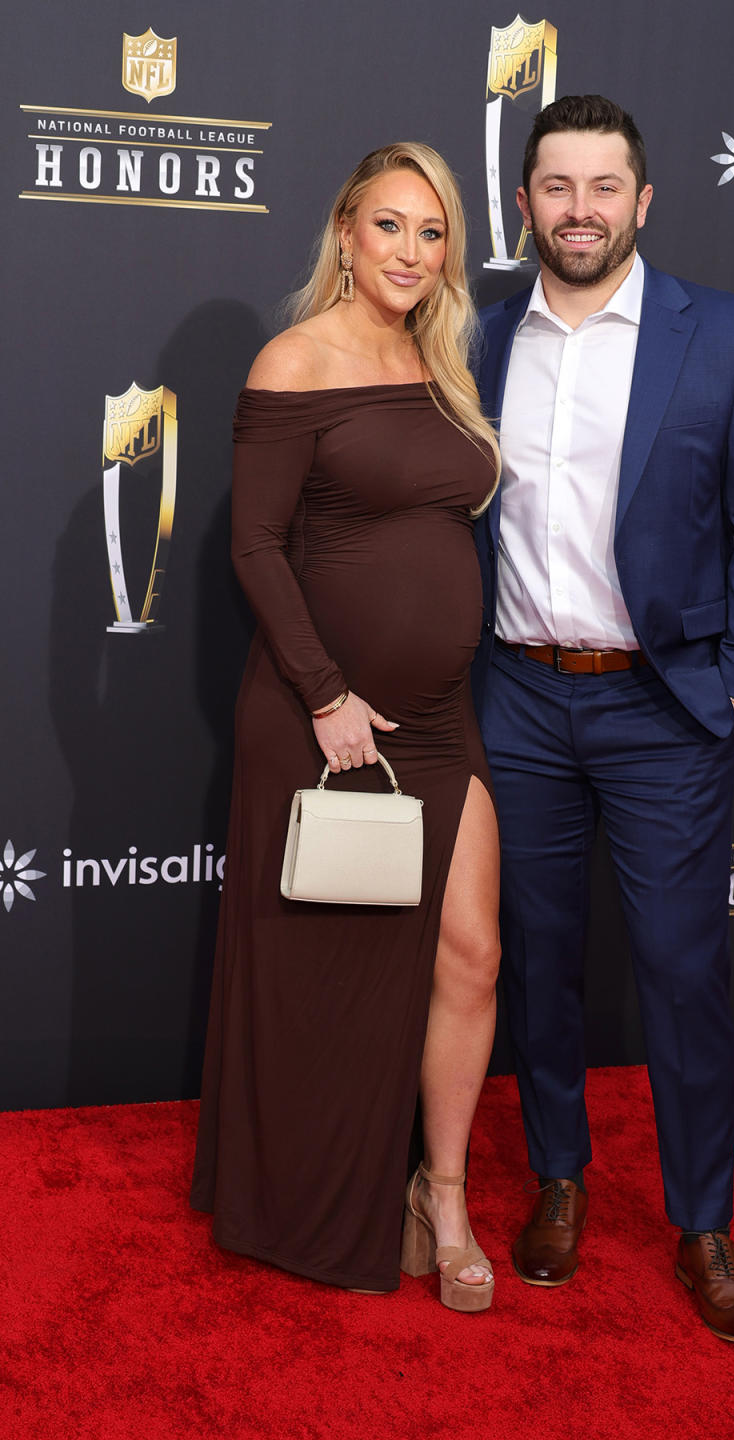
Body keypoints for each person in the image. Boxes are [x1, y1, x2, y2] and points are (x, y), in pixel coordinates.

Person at [472, 96, 734, 1342]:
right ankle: (558, 1176)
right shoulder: (482, 340)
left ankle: (702, 1222)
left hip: (663, 706)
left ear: (643, 202)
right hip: (517, 696)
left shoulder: (723, 333)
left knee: (680, 970)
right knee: (539, 960)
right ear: (526, 204)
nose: (579, 211)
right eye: (556, 187)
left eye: (604, 188)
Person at [191, 143, 501, 1311]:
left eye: (433, 233)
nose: (412, 252)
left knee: (471, 954)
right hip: (323, 720)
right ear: (344, 232)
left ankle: (446, 1193)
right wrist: (325, 693)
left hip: (436, 717)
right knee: (325, 969)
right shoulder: (296, 357)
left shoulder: (441, 365)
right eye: (391, 226)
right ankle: (306, 1198)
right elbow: (255, 546)